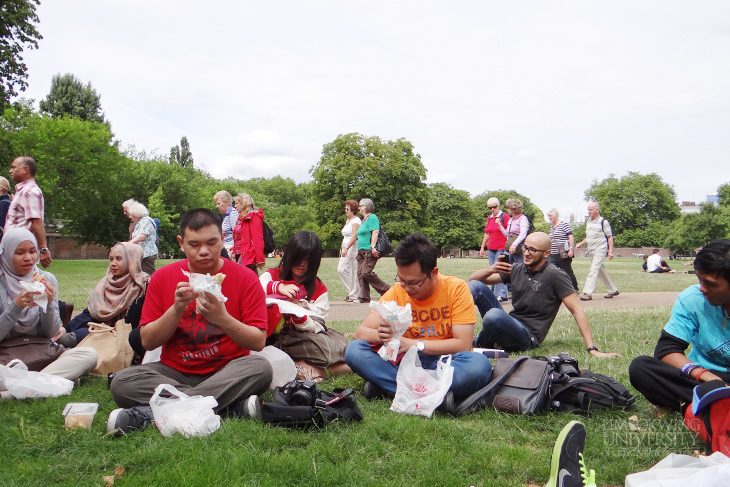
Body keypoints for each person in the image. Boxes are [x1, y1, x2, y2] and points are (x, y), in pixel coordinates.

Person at [107, 209, 272, 435]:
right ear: (181, 244)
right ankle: (228, 406)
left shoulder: (245, 277)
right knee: (122, 382)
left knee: (260, 368)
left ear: (223, 240)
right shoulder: (163, 277)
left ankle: (151, 412)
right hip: (174, 371)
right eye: (194, 244)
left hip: (228, 370)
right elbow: (146, 341)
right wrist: (176, 309)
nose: (204, 251)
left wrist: (221, 318)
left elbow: (258, 341)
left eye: (212, 243)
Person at [345, 233, 493, 402]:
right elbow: (360, 333)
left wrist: (413, 344)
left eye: (414, 283)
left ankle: (393, 387)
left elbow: (462, 344)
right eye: (401, 280)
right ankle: (434, 394)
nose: (407, 288)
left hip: (445, 361)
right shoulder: (397, 291)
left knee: (478, 366)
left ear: (434, 273)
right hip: (405, 361)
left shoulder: (456, 289)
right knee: (354, 350)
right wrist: (384, 336)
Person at [468, 232, 619, 357]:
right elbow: (473, 280)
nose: (526, 253)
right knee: (476, 286)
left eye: (532, 250)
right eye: (525, 248)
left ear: (546, 253)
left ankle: (479, 343)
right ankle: (454, 333)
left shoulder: (555, 275)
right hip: (510, 323)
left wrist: (592, 349)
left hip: (527, 336)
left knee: (494, 315)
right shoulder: (518, 269)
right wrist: (491, 269)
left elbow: (576, 310)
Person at [629, 239, 730, 415]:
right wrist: (704, 375)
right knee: (641, 368)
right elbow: (666, 350)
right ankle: (713, 401)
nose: (702, 288)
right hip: (702, 376)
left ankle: (701, 405)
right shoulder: (691, 299)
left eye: (711, 284)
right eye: (700, 280)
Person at [0, 228, 97, 398]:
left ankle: (14, 392)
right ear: (6, 254)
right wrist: (16, 306)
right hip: (8, 361)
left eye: (32, 251)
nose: (28, 258)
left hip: (45, 354)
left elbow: (51, 332)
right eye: (19, 252)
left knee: (89, 354)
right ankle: (51, 382)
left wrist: (49, 302)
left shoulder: (46, 279)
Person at [260, 231, 351, 382]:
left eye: (308, 260)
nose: (302, 264)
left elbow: (318, 322)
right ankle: (309, 368)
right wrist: (278, 287)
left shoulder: (318, 288)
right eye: (298, 258)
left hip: (300, 338)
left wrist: (299, 315)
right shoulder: (273, 275)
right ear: (289, 256)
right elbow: (256, 287)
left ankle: (311, 369)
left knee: (337, 352)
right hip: (269, 338)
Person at [56, 242, 149, 353]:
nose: (113, 263)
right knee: (66, 339)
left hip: (126, 338)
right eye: (111, 259)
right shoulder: (106, 283)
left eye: (118, 259)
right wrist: (66, 328)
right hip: (101, 330)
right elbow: (89, 314)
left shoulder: (143, 286)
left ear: (132, 260)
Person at [5, 156, 52, 267]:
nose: (10, 171)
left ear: (25, 169)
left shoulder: (28, 191)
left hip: (20, 250)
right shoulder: (23, 191)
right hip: (15, 248)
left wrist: (43, 249)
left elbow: (36, 222)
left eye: (13, 167)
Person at [575, 202, 619, 301]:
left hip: (600, 249)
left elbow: (610, 237)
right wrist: (581, 243)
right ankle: (613, 290)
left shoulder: (603, 222)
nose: (589, 211)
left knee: (593, 270)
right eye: (588, 209)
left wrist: (610, 251)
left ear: (597, 210)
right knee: (599, 271)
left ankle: (587, 293)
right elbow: (588, 236)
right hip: (591, 250)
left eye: (590, 209)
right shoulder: (589, 222)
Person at [355, 198, 390, 303]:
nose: (358, 207)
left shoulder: (372, 217)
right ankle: (364, 297)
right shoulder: (363, 221)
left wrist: (373, 247)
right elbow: (360, 236)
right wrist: (357, 250)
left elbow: (375, 232)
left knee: (366, 272)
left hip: (369, 251)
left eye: (360, 205)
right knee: (360, 274)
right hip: (361, 251)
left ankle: (387, 290)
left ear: (366, 206)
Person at [478, 197, 510, 301]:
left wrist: (499, 224)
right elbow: (487, 233)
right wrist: (482, 247)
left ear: (498, 206)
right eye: (490, 207)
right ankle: (494, 293)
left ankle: (502, 294)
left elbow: (509, 232)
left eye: (494, 207)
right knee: (491, 270)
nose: (492, 209)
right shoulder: (489, 218)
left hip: (501, 247)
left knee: (499, 270)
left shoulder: (504, 216)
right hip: (491, 247)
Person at [547, 208, 579, 292]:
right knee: (551, 270)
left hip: (562, 253)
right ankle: (555, 289)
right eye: (548, 216)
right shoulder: (551, 227)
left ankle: (574, 288)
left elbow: (570, 236)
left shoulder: (563, 224)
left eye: (550, 216)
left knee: (567, 271)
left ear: (555, 215)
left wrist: (571, 249)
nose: (549, 217)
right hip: (552, 253)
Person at [232, 193, 265, 274]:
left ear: (244, 203)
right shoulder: (242, 218)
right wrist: (233, 249)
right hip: (243, 253)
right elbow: (240, 237)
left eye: (237, 203)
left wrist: (260, 259)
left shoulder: (254, 217)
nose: (235, 206)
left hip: (249, 254)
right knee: (252, 278)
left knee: (239, 274)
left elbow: (258, 238)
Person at [337, 199, 361, 302]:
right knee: (341, 270)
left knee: (353, 271)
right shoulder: (348, 221)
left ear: (353, 210)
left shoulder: (356, 221)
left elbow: (355, 236)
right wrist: (343, 248)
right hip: (345, 248)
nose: (345, 210)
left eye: (347, 209)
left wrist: (347, 248)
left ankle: (354, 295)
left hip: (352, 247)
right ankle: (352, 291)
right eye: (345, 208)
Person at [127, 202, 158, 276]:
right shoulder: (139, 223)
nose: (129, 217)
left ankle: (155, 287)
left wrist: (127, 244)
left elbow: (141, 237)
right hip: (141, 254)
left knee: (149, 274)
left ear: (136, 213)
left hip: (147, 254)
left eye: (131, 214)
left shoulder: (146, 221)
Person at [500, 198, 529, 267]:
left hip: (518, 249)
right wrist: (500, 226)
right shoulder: (511, 220)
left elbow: (523, 234)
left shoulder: (523, 219)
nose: (507, 210)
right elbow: (507, 234)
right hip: (509, 249)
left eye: (508, 208)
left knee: (519, 268)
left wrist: (514, 245)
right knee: (507, 268)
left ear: (513, 208)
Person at [214, 190, 239, 258]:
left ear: (226, 202)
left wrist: (234, 249)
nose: (217, 206)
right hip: (225, 247)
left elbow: (237, 233)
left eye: (219, 203)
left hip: (230, 249)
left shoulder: (233, 214)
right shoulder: (226, 215)